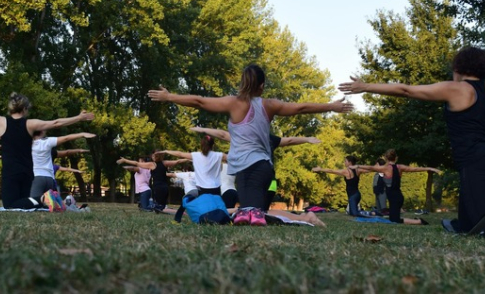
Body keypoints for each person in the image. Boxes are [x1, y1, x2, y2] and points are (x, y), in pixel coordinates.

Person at [149, 65, 352, 225]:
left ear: (242, 83)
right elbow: (301, 107)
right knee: (250, 214)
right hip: (262, 169)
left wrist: (170, 97)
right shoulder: (269, 105)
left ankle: (305, 218)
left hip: (251, 170)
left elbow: (200, 101)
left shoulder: (234, 103)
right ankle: (302, 218)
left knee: (254, 215)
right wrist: (331, 106)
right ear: (261, 86)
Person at [339, 46, 485, 232]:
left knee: (478, 224)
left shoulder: (457, 89)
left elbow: (406, 90)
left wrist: (366, 87)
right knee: (469, 220)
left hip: (472, 159)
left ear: (459, 68)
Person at [0, 93, 94, 209]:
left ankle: (44, 198)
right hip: (27, 173)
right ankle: (48, 200)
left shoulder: (1, 122)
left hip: (11, 172)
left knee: (10, 204)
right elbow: (56, 123)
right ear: (24, 109)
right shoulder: (31, 124)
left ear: (10, 108)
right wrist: (79, 118)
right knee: (25, 204)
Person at [190, 126, 321, 211]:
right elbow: (290, 140)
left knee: (254, 209)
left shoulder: (247, 138)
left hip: (256, 179)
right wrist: (307, 139)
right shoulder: (269, 138)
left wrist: (203, 130)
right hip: (270, 179)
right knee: (260, 210)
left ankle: (254, 214)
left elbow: (223, 135)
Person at [352, 149, 441, 225]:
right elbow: (415, 169)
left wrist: (357, 166)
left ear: (386, 158)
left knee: (394, 220)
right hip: (397, 197)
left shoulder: (385, 168)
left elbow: (370, 167)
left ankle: (419, 221)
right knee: (393, 218)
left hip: (394, 198)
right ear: (396, 157)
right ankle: (417, 221)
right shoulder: (400, 167)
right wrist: (430, 168)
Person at [29, 131, 95, 199]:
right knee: (49, 203)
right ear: (42, 133)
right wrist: (81, 140)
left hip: (36, 177)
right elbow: (66, 147)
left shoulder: (27, 146)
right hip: (50, 179)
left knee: (34, 202)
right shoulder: (48, 145)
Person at [116, 153, 189, 212]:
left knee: (159, 208)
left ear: (157, 157)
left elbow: (136, 164)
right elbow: (178, 161)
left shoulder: (152, 165)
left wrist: (125, 160)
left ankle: (175, 211)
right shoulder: (165, 163)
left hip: (158, 188)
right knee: (160, 207)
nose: (152, 157)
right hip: (165, 188)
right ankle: (157, 206)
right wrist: (189, 158)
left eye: (153, 156)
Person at [160, 135, 226, 196]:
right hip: (215, 187)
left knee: (204, 206)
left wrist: (166, 151)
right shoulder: (218, 155)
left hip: (203, 187)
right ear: (213, 146)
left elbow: (180, 154)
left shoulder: (196, 155)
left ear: (201, 145)